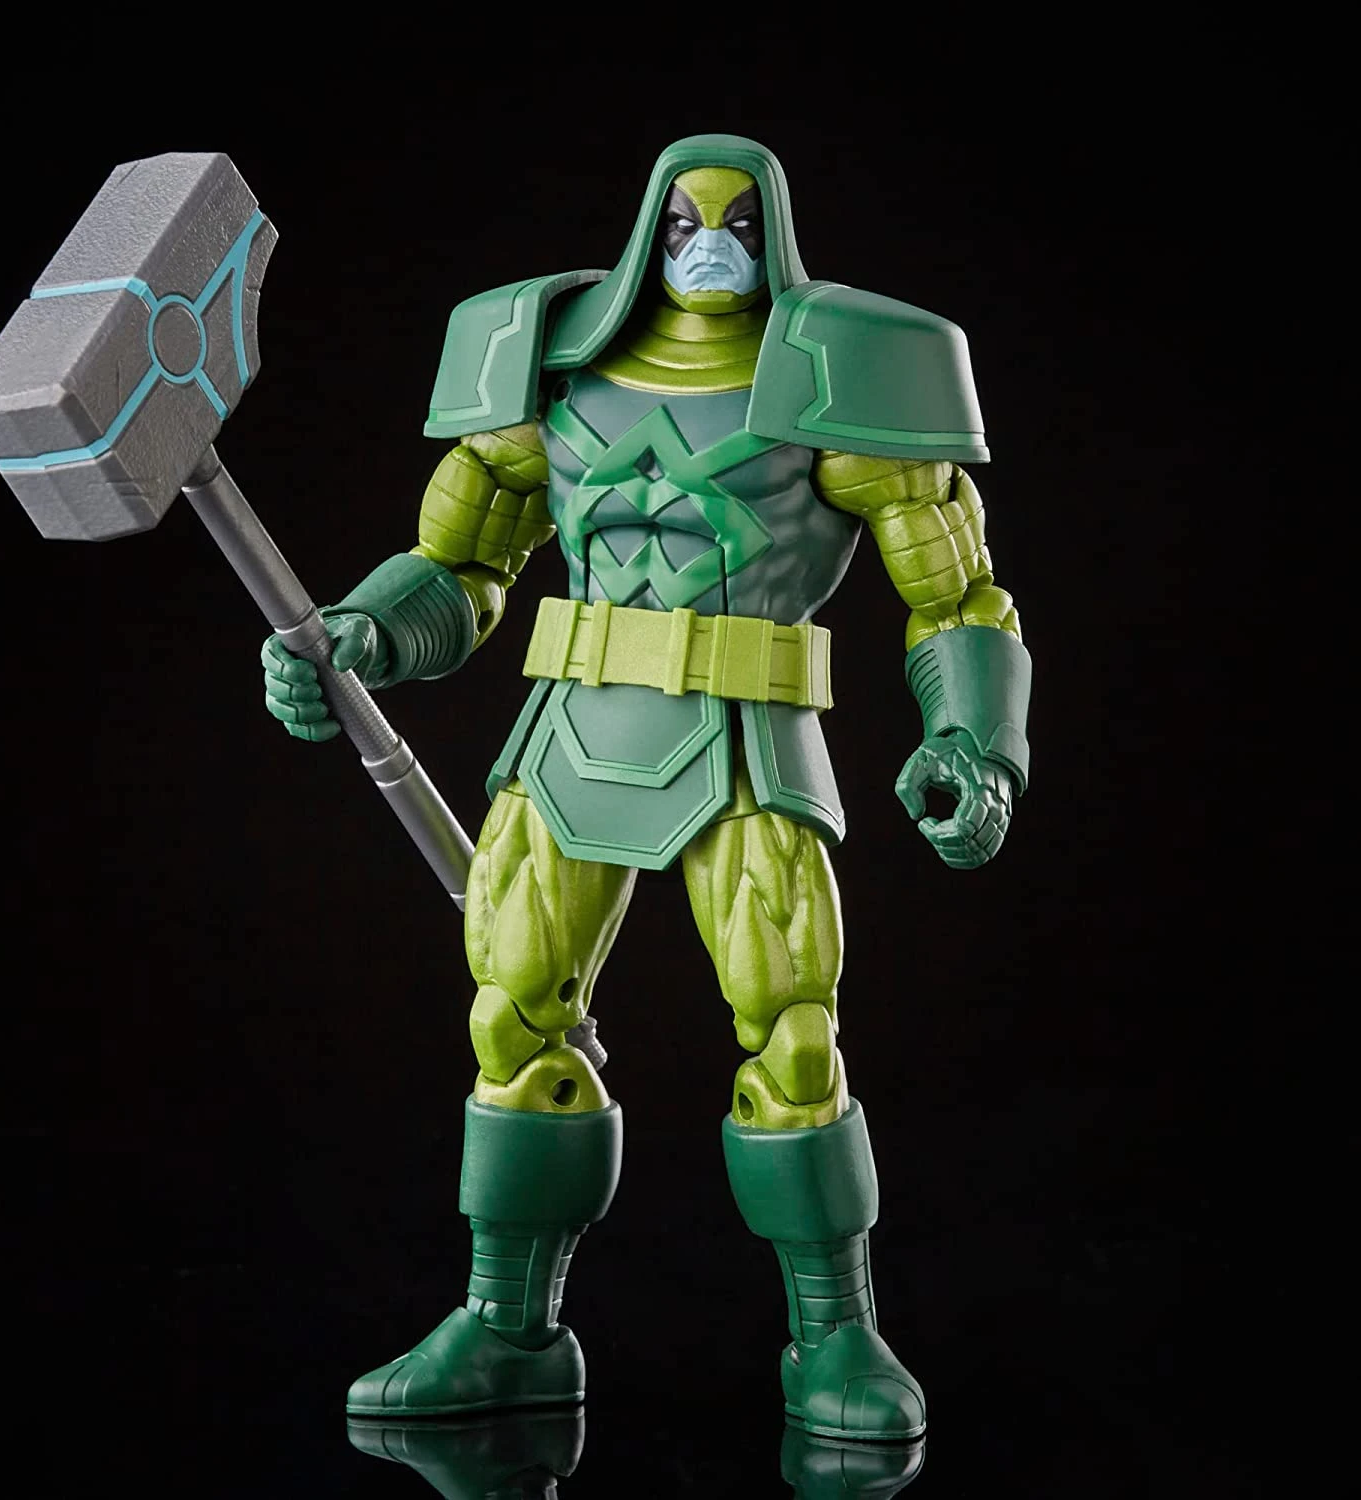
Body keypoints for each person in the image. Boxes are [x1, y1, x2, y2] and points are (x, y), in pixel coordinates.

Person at [262, 133, 1031, 1442]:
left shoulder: (837, 379)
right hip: (572, 735)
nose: (711, 244)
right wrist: (363, 634)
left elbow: (958, 595)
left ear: (773, 230)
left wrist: (974, 742)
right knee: (512, 1020)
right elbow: (457, 570)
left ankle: (835, 1337)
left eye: (736, 222)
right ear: (648, 232)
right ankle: (509, 1329)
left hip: (745, 737)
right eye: (685, 223)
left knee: (793, 1034)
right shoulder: (547, 377)